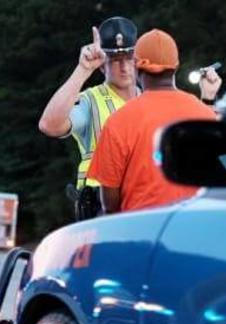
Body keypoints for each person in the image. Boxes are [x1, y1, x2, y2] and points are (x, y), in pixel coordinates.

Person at [39, 18, 221, 220]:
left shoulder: (156, 99)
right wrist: (83, 70)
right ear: (102, 65)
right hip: (100, 212)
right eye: (115, 61)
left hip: (139, 209)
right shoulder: (92, 101)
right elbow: (50, 125)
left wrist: (208, 99)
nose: (124, 67)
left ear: (138, 61)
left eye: (128, 58)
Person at [86, 29, 217, 214]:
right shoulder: (206, 113)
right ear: (176, 66)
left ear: (136, 66)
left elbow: (110, 205)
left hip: (142, 232)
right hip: (198, 227)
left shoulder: (118, 122)